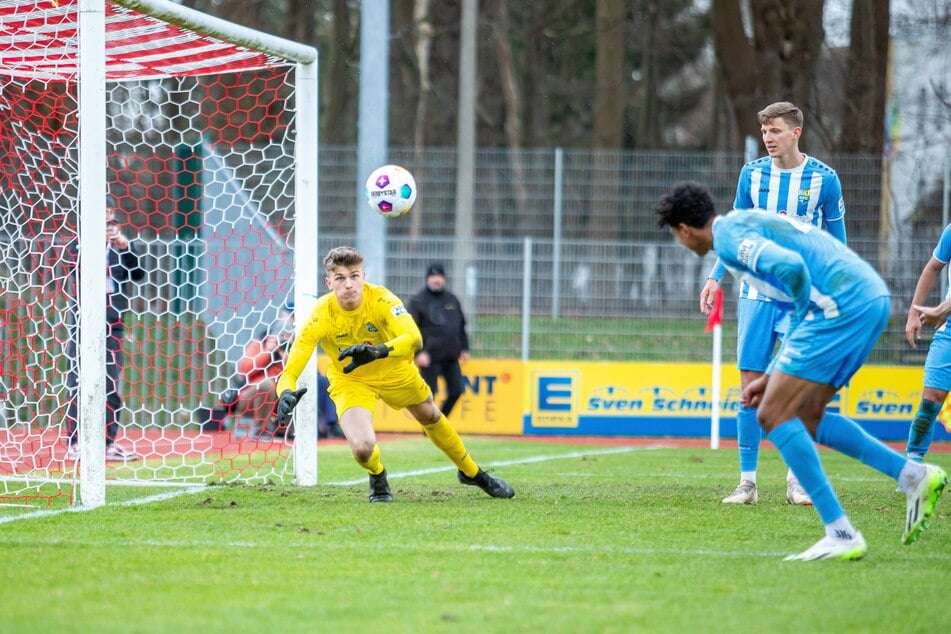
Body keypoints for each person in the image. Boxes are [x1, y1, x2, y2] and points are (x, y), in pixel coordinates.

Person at [655, 181, 947, 560]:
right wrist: (776, 367)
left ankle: (841, 532)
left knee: (772, 413)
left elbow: (791, 267)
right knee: (807, 415)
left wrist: (798, 324)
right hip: (867, 297)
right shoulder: (742, 220)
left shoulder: (728, 241)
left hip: (839, 307)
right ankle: (914, 476)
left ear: (684, 229)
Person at [274, 246, 514, 502]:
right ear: (329, 282)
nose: (349, 284)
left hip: (394, 371)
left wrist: (377, 352)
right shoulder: (322, 313)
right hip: (351, 379)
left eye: (354, 276)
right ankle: (377, 475)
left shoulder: (382, 299)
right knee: (363, 448)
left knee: (431, 415)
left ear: (363, 276)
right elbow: (292, 368)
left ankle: (472, 473)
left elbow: (414, 338)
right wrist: (284, 392)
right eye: (341, 278)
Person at [699, 101, 848, 506]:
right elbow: (734, 233)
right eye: (764, 131)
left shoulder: (824, 180)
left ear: (795, 132)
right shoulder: (752, 174)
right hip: (756, 296)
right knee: (750, 388)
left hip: (803, 300)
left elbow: (839, 244)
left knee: (799, 387)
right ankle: (747, 483)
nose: (768, 138)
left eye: (776, 131)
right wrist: (715, 278)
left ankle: (797, 481)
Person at [66, 198, 145, 462]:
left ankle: (108, 443)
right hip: (83, 321)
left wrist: (126, 247)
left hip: (112, 322)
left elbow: (138, 274)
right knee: (77, 380)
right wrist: (95, 244)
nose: (104, 220)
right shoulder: (78, 244)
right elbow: (68, 270)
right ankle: (76, 442)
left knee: (111, 382)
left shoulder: (121, 246)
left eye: (107, 214)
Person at [197, 301, 295, 437]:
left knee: (297, 385)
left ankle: (286, 430)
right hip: (249, 398)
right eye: (281, 334)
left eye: (287, 335)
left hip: (278, 400)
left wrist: (286, 357)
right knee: (266, 384)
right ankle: (260, 430)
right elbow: (245, 370)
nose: (283, 338)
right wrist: (268, 352)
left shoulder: (292, 351)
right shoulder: (261, 344)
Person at [903, 223, 951, 461]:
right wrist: (914, 313)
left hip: (946, 314)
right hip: (949, 329)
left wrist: (943, 308)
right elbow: (932, 268)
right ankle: (912, 467)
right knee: (931, 398)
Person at [407, 262, 471, 418]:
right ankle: (428, 429)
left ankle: (440, 422)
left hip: (450, 356)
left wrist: (465, 348)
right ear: (428, 278)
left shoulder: (452, 299)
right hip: (429, 357)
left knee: (456, 391)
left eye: (440, 276)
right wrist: (418, 353)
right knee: (429, 396)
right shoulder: (418, 301)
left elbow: (461, 325)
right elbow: (409, 329)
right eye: (434, 276)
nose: (437, 280)